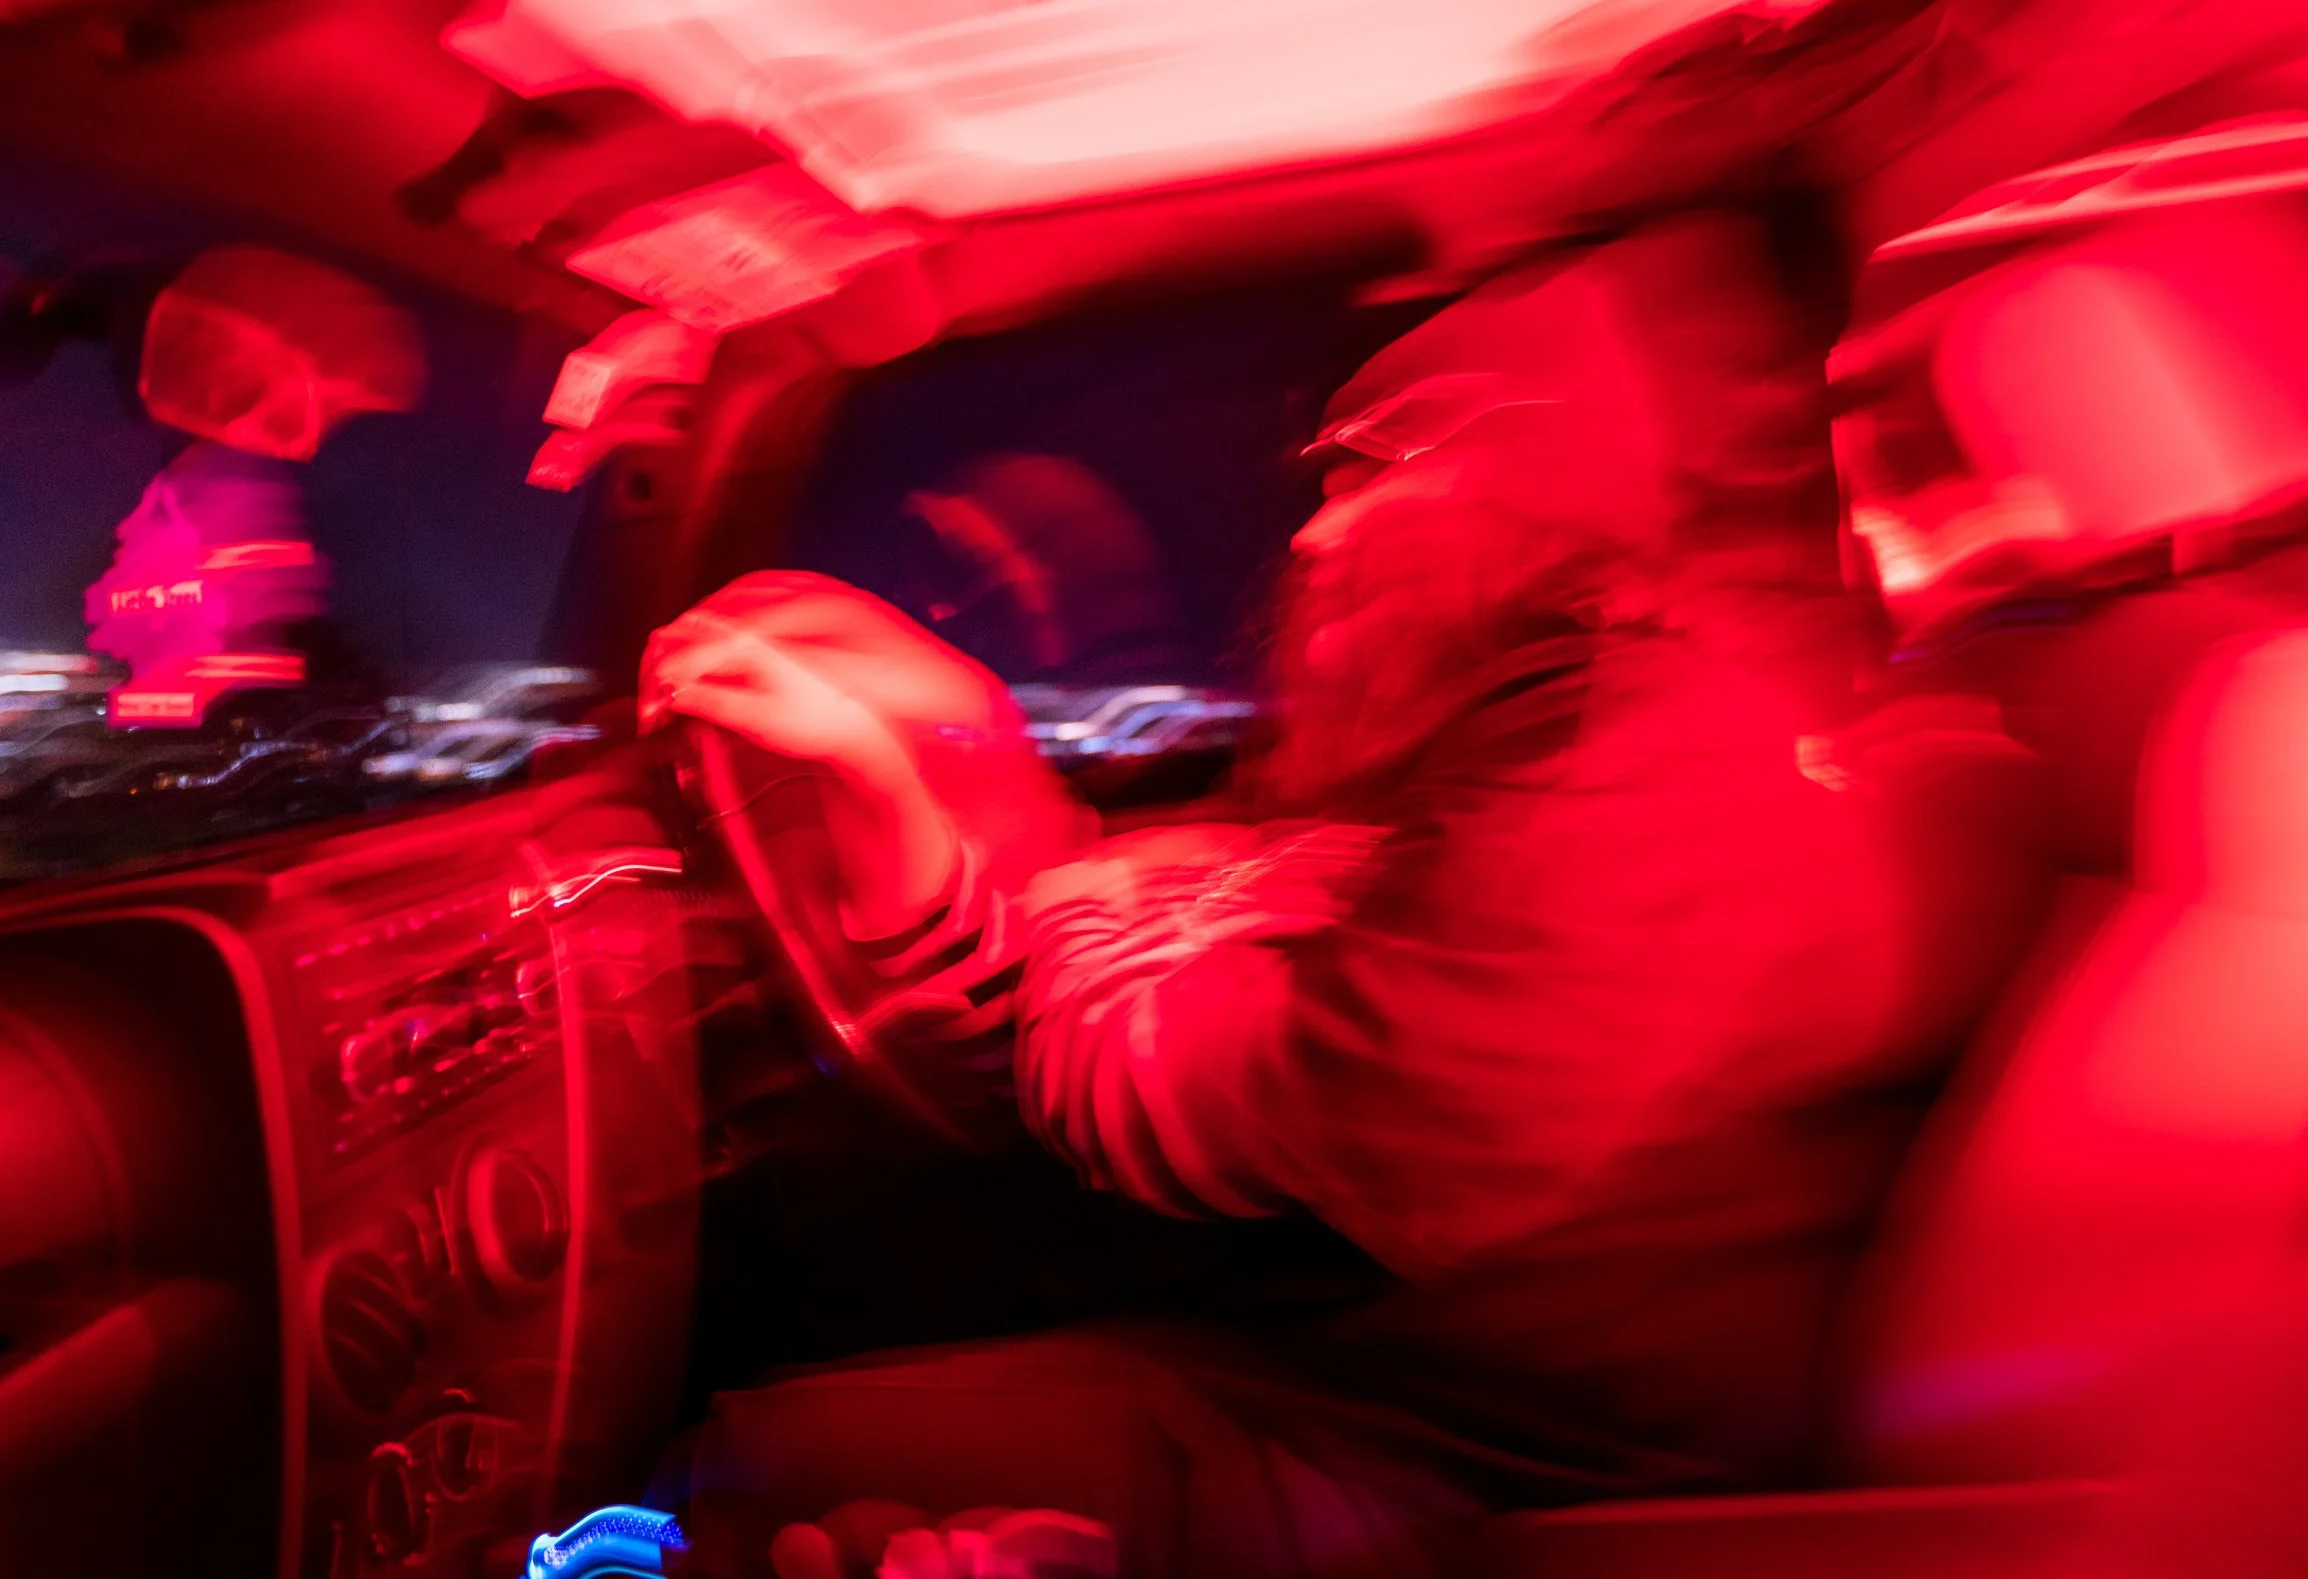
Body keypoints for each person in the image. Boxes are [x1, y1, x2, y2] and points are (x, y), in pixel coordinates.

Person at [639, 214, 1960, 1578]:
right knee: (826, 1273)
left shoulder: (1633, 771)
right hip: (1367, 1359)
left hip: (1494, 1475)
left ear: (1538, 494)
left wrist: (968, 758)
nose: (1317, 535)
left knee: (737, 1463)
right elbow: (1163, 931)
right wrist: (923, 779)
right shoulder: (1491, 747)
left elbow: (1187, 1103)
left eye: (1375, 474)